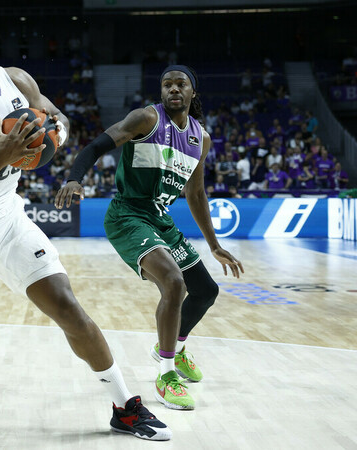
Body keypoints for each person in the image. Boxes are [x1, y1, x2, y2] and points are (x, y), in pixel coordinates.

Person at [0, 11, 171, 445]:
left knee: (68, 306)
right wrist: (1, 154)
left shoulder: (17, 80)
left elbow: (60, 120)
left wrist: (50, 137)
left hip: (8, 218)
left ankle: (124, 406)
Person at [55, 65, 244, 411]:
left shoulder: (200, 138)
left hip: (161, 220)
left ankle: (173, 346)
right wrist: (74, 177)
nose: (173, 88)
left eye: (181, 84)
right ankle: (166, 375)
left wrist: (215, 245)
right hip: (128, 214)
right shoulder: (146, 119)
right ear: (161, 92)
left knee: (206, 290)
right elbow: (97, 145)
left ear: (192, 92)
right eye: (167, 84)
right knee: (173, 282)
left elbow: (197, 193)